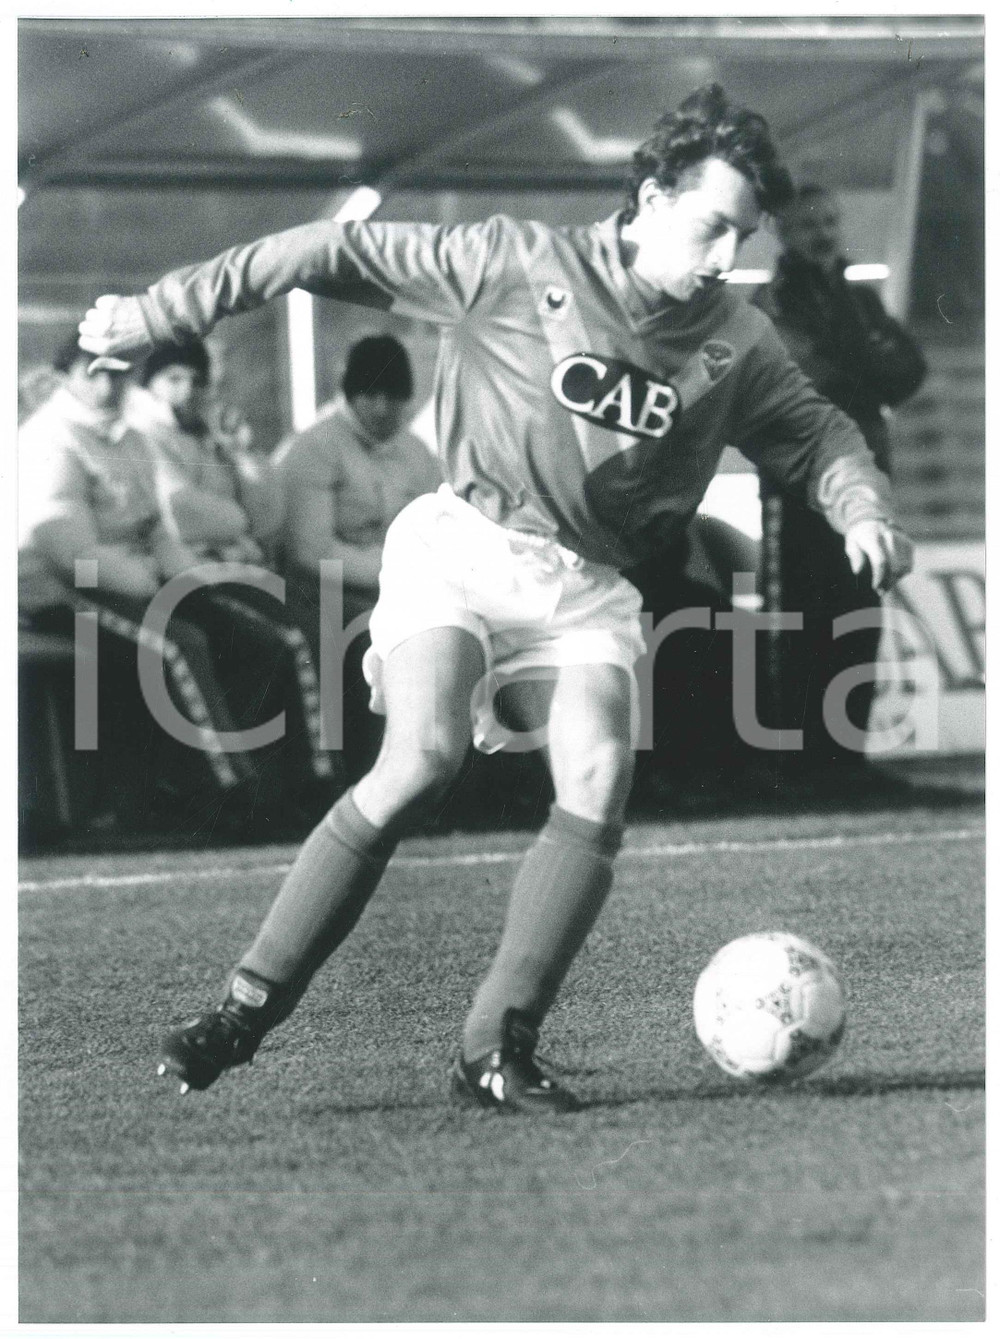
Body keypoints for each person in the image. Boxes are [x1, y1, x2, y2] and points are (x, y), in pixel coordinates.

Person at [79, 84, 913, 1114]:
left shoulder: (733, 338)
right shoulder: (516, 262)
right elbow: (315, 252)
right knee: (421, 755)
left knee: (602, 769)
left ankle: (497, 1041)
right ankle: (246, 1007)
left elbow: (820, 430)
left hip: (586, 586)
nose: (718, 259)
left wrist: (862, 509)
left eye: (738, 238)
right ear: (648, 196)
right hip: (463, 546)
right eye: (707, 228)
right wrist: (158, 311)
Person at [18, 335, 258, 826]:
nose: (108, 385)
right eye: (95, 373)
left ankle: (279, 784)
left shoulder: (130, 438)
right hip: (55, 591)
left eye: (117, 373)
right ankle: (227, 792)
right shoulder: (50, 438)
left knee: (248, 634)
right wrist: (148, 580)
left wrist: (186, 579)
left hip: (125, 582)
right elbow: (68, 552)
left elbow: (156, 529)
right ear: (65, 376)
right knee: (177, 645)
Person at [753, 182, 927, 776]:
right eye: (809, 225)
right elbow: (814, 381)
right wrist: (867, 356)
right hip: (799, 486)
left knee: (858, 616)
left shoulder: (859, 298)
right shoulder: (774, 303)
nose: (824, 234)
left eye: (830, 221)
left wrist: (857, 355)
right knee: (801, 621)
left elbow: (909, 372)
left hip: (867, 481)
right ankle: (797, 765)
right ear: (781, 232)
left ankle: (845, 759)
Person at [127, 338, 338, 809]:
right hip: (190, 576)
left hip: (236, 569)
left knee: (317, 629)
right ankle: (310, 781)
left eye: (195, 380)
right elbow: (181, 514)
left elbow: (267, 518)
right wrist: (235, 516)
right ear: (149, 384)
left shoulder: (207, 436)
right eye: (173, 378)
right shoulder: (141, 435)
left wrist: (244, 456)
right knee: (292, 639)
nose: (186, 390)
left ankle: (283, 777)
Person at [271, 333, 440, 780]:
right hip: (323, 590)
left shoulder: (416, 453)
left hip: (394, 587)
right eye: (371, 395)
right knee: (384, 642)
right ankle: (374, 775)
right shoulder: (315, 448)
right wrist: (398, 582)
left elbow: (438, 534)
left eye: (394, 397)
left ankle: (445, 777)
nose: (383, 409)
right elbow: (312, 553)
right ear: (350, 394)